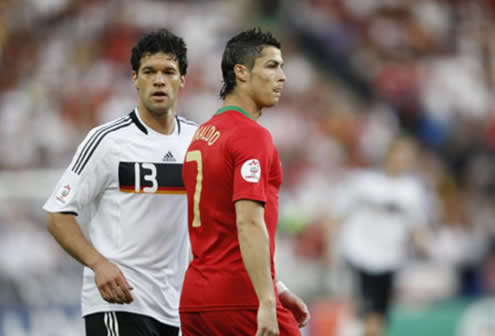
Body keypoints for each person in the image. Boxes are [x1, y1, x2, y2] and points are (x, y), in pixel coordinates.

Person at [43, 29, 198, 336]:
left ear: (182, 80)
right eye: (149, 71)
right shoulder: (108, 141)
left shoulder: (198, 141)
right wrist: (98, 264)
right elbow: (58, 215)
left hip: (175, 307)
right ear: (134, 79)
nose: (158, 80)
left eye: (168, 72)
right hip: (117, 303)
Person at [179, 28, 310, 336]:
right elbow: (248, 223)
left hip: (196, 299)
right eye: (272, 66)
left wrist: (276, 287)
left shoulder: (202, 136)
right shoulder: (250, 135)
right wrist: (266, 300)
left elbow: (218, 226)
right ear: (241, 72)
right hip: (240, 298)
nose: (283, 77)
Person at [331, 137, 431, 336]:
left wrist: (424, 246)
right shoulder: (364, 182)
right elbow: (338, 214)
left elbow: (417, 228)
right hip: (360, 256)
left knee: (380, 318)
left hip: (390, 260)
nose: (402, 160)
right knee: (368, 317)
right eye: (399, 154)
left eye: (407, 156)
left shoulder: (413, 191)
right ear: (388, 154)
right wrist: (330, 246)